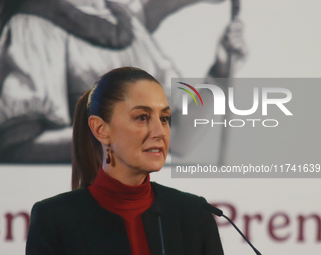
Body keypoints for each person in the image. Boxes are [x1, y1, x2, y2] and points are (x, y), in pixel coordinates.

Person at [0, 0, 246, 163]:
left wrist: (220, 71)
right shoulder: (33, 23)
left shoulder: (128, 25)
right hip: (72, 212)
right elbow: (16, 145)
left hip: (135, 210)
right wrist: (119, 141)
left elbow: (177, 139)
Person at [25, 67, 224, 255]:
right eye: (142, 117)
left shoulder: (195, 214)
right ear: (101, 129)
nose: (159, 132)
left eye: (164, 118)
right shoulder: (53, 219)